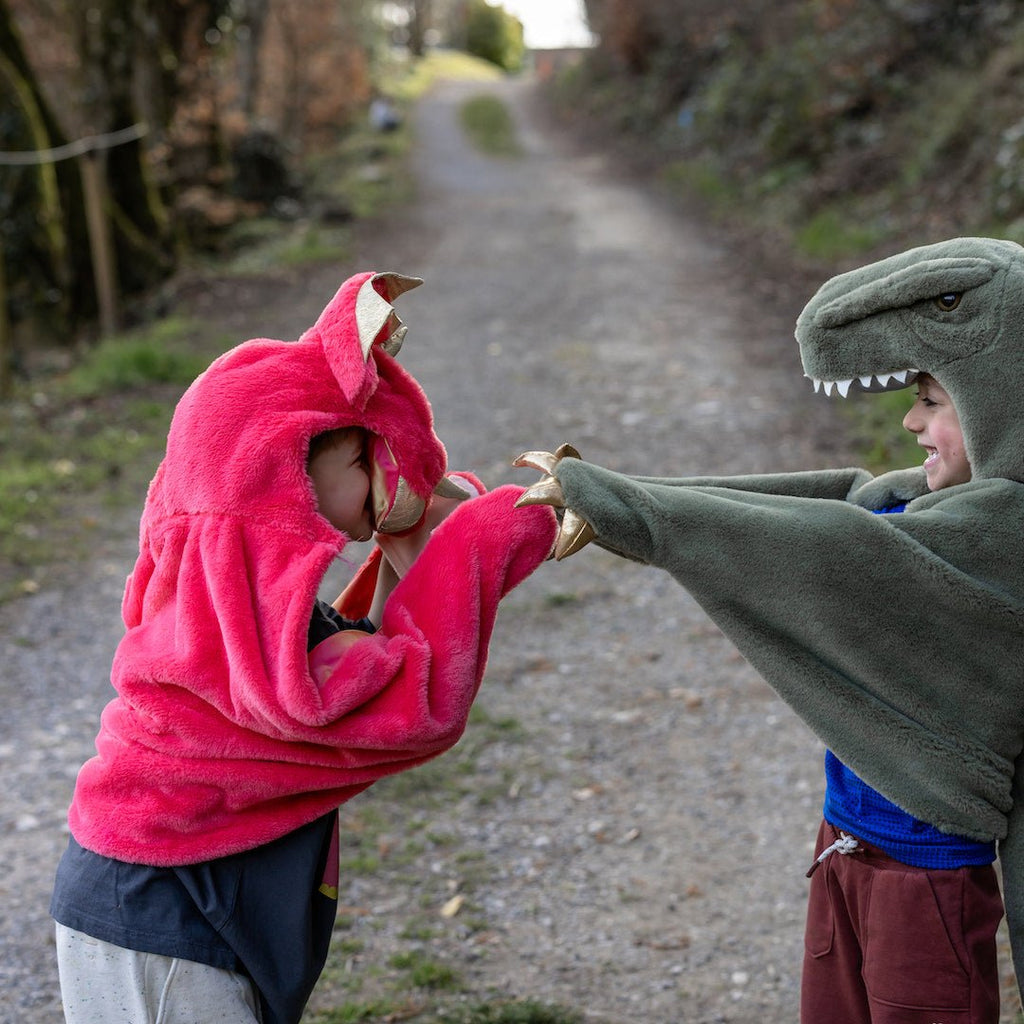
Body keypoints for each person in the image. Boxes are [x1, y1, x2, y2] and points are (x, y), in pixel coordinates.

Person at [515, 236, 1024, 1022]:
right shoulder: (917, 504)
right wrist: (612, 495)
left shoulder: (1001, 532)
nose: (910, 418)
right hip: (846, 843)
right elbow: (827, 504)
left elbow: (827, 550)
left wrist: (637, 513)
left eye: (931, 400)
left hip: (927, 880)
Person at [50, 270, 556, 1024]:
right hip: (161, 916)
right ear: (281, 470)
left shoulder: (242, 618)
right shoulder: (247, 653)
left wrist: (416, 548)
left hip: (183, 905)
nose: (380, 492)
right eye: (364, 464)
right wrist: (478, 545)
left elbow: (368, 652)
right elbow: (402, 706)